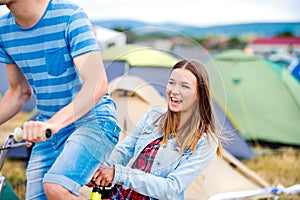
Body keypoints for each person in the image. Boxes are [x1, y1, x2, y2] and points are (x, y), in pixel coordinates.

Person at [0, 0, 120, 199]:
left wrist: (52, 124)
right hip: (49, 134)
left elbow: (97, 84)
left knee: (56, 187)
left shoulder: (70, 16)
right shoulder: (4, 30)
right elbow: (19, 92)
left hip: (93, 122)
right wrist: (50, 126)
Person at [89, 60, 223, 200]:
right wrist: (98, 172)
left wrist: (119, 174)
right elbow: (125, 151)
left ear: (199, 94)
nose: (174, 91)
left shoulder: (205, 141)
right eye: (172, 82)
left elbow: (171, 188)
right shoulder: (153, 116)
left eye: (185, 86)